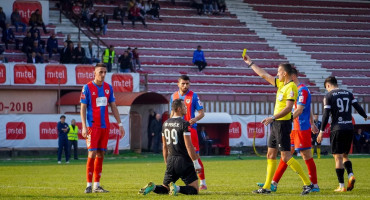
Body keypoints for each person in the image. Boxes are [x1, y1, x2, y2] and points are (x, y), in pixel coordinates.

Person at [243, 54, 313, 195]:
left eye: (278, 71)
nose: (276, 74)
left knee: (286, 156)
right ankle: (267, 187)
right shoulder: (281, 84)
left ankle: (308, 183)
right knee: (270, 154)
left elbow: (288, 108)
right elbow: (263, 74)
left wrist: (273, 117)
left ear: (285, 73)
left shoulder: (292, 87)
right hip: (276, 124)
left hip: (282, 125)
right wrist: (250, 62)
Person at [257, 68, 320, 192]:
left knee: (304, 155)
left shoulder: (301, 90)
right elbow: (309, 108)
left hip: (299, 127)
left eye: (280, 71)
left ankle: (313, 184)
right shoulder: (288, 86)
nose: (278, 74)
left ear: (292, 76)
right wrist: (312, 122)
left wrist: (287, 118)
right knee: (283, 155)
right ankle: (272, 183)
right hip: (292, 126)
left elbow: (300, 109)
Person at [138, 99, 201, 196]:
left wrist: (167, 162)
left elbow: (164, 146)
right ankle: (177, 188)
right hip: (183, 160)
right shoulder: (184, 124)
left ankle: (153, 187)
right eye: (184, 106)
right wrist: (196, 163)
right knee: (194, 189)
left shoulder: (165, 123)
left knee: (165, 188)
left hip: (171, 160)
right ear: (179, 109)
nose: (186, 108)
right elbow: (189, 146)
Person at [317, 76, 368, 192]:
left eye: (326, 88)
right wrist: (365, 116)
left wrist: (321, 131)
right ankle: (350, 175)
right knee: (345, 155)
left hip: (337, 128)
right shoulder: (348, 93)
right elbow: (357, 107)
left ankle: (341, 186)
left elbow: (326, 115)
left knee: (337, 157)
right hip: (349, 128)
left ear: (328, 85)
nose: (327, 90)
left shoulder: (329, 96)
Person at [80, 63, 125, 193]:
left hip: (105, 126)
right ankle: (88, 185)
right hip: (92, 126)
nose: (103, 74)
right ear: (94, 73)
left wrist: (120, 124)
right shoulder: (87, 87)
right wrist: (83, 126)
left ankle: (96, 186)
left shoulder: (108, 88)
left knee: (101, 154)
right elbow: (83, 108)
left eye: (105, 72)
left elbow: (113, 106)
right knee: (92, 153)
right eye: (100, 72)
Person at [170, 75, 207, 190]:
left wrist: (194, 119)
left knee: (195, 156)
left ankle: (203, 182)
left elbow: (202, 113)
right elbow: (172, 113)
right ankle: (174, 180)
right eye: (183, 83)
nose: (185, 86)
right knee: (177, 155)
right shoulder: (174, 96)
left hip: (191, 130)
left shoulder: (194, 96)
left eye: (187, 84)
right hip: (177, 130)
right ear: (178, 84)